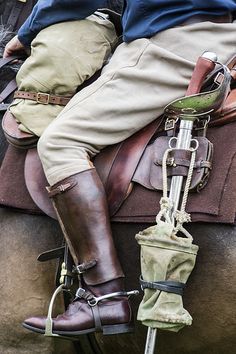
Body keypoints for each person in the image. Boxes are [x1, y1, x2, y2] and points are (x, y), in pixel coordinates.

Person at [3, 0, 236, 338]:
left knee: (60, 142)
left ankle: (104, 297)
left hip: (171, 43)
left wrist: (28, 32)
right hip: (222, 37)